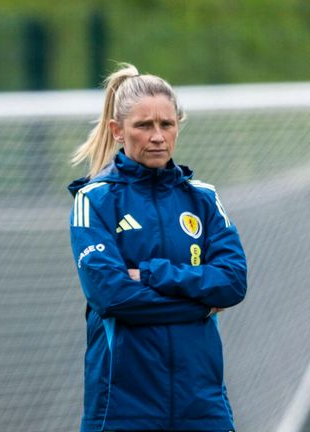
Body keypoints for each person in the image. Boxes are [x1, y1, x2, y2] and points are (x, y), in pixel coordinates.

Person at [67, 63, 247, 432]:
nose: (157, 137)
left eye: (166, 124)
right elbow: (112, 296)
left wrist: (150, 273)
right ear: (118, 131)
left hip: (203, 406)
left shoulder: (204, 199)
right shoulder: (95, 200)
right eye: (144, 126)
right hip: (122, 408)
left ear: (178, 125)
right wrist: (199, 304)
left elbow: (232, 282)